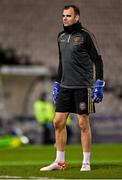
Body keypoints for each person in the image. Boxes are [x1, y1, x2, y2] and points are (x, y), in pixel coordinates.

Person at [40, 5, 105, 171]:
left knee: (83, 123)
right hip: (65, 87)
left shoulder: (86, 35)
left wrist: (99, 83)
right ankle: (60, 162)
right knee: (58, 122)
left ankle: (86, 162)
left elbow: (98, 60)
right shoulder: (60, 37)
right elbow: (62, 63)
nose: (64, 18)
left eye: (68, 16)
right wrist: (56, 83)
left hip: (82, 87)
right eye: (63, 15)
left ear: (77, 17)